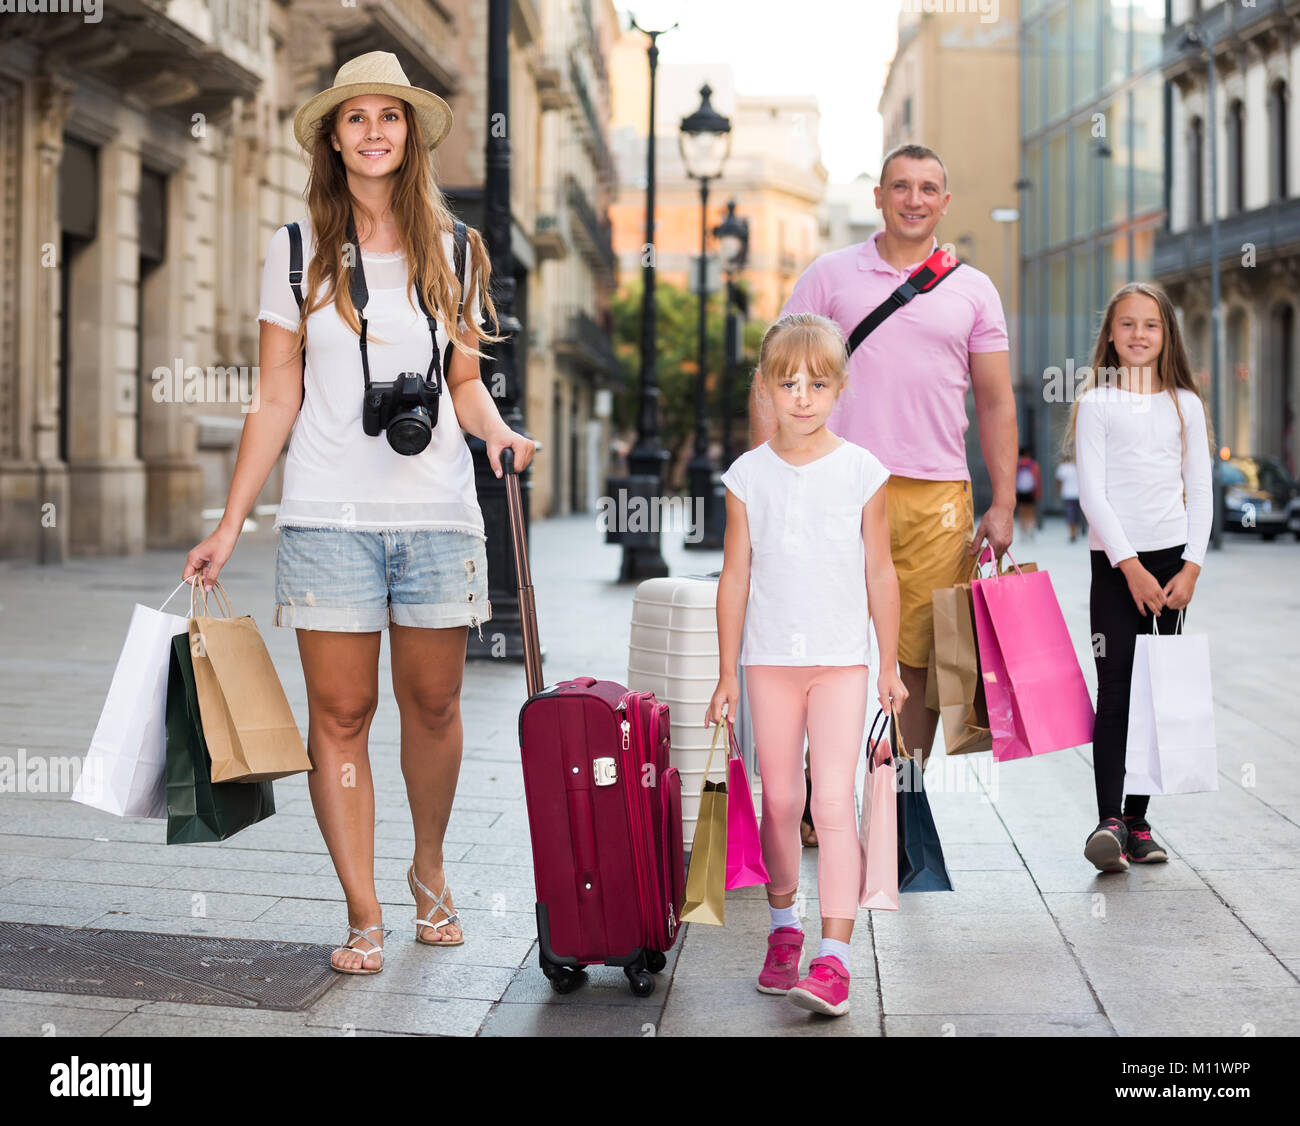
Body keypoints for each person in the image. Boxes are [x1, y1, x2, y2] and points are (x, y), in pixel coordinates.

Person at [182, 53, 535, 974]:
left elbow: (465, 382)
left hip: (437, 517)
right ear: (332, 137)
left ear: (409, 135)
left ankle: (428, 870)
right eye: (355, 118)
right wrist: (230, 524)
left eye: (390, 116)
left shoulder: (455, 249)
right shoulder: (294, 249)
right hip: (327, 519)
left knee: (435, 704)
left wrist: (502, 434)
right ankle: (364, 908)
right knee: (340, 715)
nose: (374, 131)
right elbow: (274, 396)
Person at [754, 143, 1016, 767]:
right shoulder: (829, 275)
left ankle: (901, 792)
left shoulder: (974, 290)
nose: (914, 200)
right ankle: (821, 793)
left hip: (937, 496)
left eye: (928, 188)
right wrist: (763, 478)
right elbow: (775, 378)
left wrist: (1004, 502)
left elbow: (997, 403)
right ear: (878, 196)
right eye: (901, 186)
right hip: (834, 485)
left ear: (945, 203)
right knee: (823, 638)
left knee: (922, 651)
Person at [707, 313, 907, 1018]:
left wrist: (890, 662)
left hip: (844, 663)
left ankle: (835, 957)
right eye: (786, 382)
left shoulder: (863, 471)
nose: (801, 396)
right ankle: (784, 927)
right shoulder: (746, 477)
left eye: (816, 384)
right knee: (783, 801)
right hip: (767, 662)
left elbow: (881, 572)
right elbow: (735, 577)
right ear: (765, 386)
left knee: (832, 800)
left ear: (840, 388)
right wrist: (727, 673)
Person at [1067, 282, 1212, 872]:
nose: (1138, 335)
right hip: (1115, 564)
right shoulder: (1097, 403)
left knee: (1157, 689)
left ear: (1166, 334)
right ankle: (1107, 819)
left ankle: (1139, 821)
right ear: (1110, 334)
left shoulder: (1186, 404)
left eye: (1150, 325)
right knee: (1117, 690)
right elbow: (1092, 495)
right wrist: (1128, 567)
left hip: (1171, 562)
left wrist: (1192, 565)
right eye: (1126, 325)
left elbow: (1199, 487)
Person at [1015, 447, 1041, 541]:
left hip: (1020, 491)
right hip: (1031, 491)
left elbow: (1013, 479)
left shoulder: (1017, 465)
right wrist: (1038, 492)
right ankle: (1031, 529)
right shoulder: (1034, 465)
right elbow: (1037, 479)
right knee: (1031, 511)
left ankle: (1023, 533)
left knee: (1022, 512)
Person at [1056, 453, 1082, 542]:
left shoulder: (1062, 467)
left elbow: (1059, 482)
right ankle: (1076, 532)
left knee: (1070, 515)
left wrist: (1056, 492)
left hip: (1067, 494)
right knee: (1077, 514)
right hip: (1078, 494)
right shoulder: (1077, 466)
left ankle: (1072, 533)